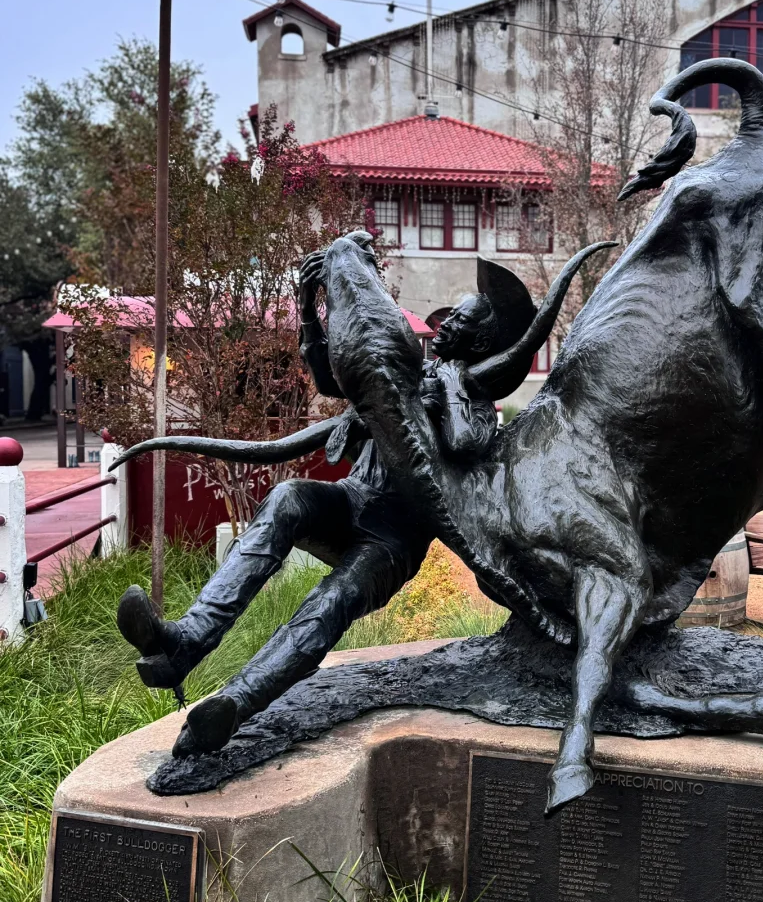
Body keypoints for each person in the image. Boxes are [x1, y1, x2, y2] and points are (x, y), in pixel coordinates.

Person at [115, 232, 542, 756]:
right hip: (351, 501)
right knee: (290, 496)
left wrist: (449, 389)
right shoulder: (399, 366)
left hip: (392, 543)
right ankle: (184, 642)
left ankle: (237, 704)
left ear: (479, 341)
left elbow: (466, 442)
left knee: (333, 599)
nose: (447, 322)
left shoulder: (472, 396)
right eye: (448, 315)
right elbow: (327, 378)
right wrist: (308, 309)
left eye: (464, 319)